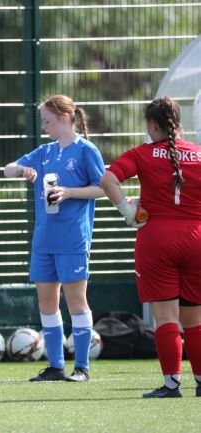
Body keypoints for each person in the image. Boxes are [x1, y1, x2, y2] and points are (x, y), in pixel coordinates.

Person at [101, 97, 201, 398]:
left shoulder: (142, 154)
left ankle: (172, 385)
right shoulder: (198, 154)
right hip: (197, 237)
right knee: (195, 319)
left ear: (152, 125)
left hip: (157, 240)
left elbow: (108, 179)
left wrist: (127, 211)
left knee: (166, 318)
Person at [4, 94, 105, 383]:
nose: (44, 127)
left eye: (47, 121)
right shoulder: (45, 152)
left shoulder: (86, 150)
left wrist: (70, 192)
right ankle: (56, 366)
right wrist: (22, 170)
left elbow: (103, 188)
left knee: (76, 301)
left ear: (64, 118)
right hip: (44, 240)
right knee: (46, 303)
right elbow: (7, 168)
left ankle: (82, 367)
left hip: (73, 238)